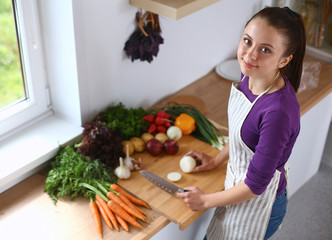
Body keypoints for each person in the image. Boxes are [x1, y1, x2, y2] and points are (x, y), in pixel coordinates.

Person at [176, 6, 306, 240]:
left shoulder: (278, 112)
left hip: (257, 205)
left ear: (284, 59)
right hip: (235, 187)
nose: (250, 55)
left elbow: (255, 186)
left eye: (265, 49)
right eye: (247, 41)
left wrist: (205, 201)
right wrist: (216, 160)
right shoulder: (250, 76)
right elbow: (243, 133)